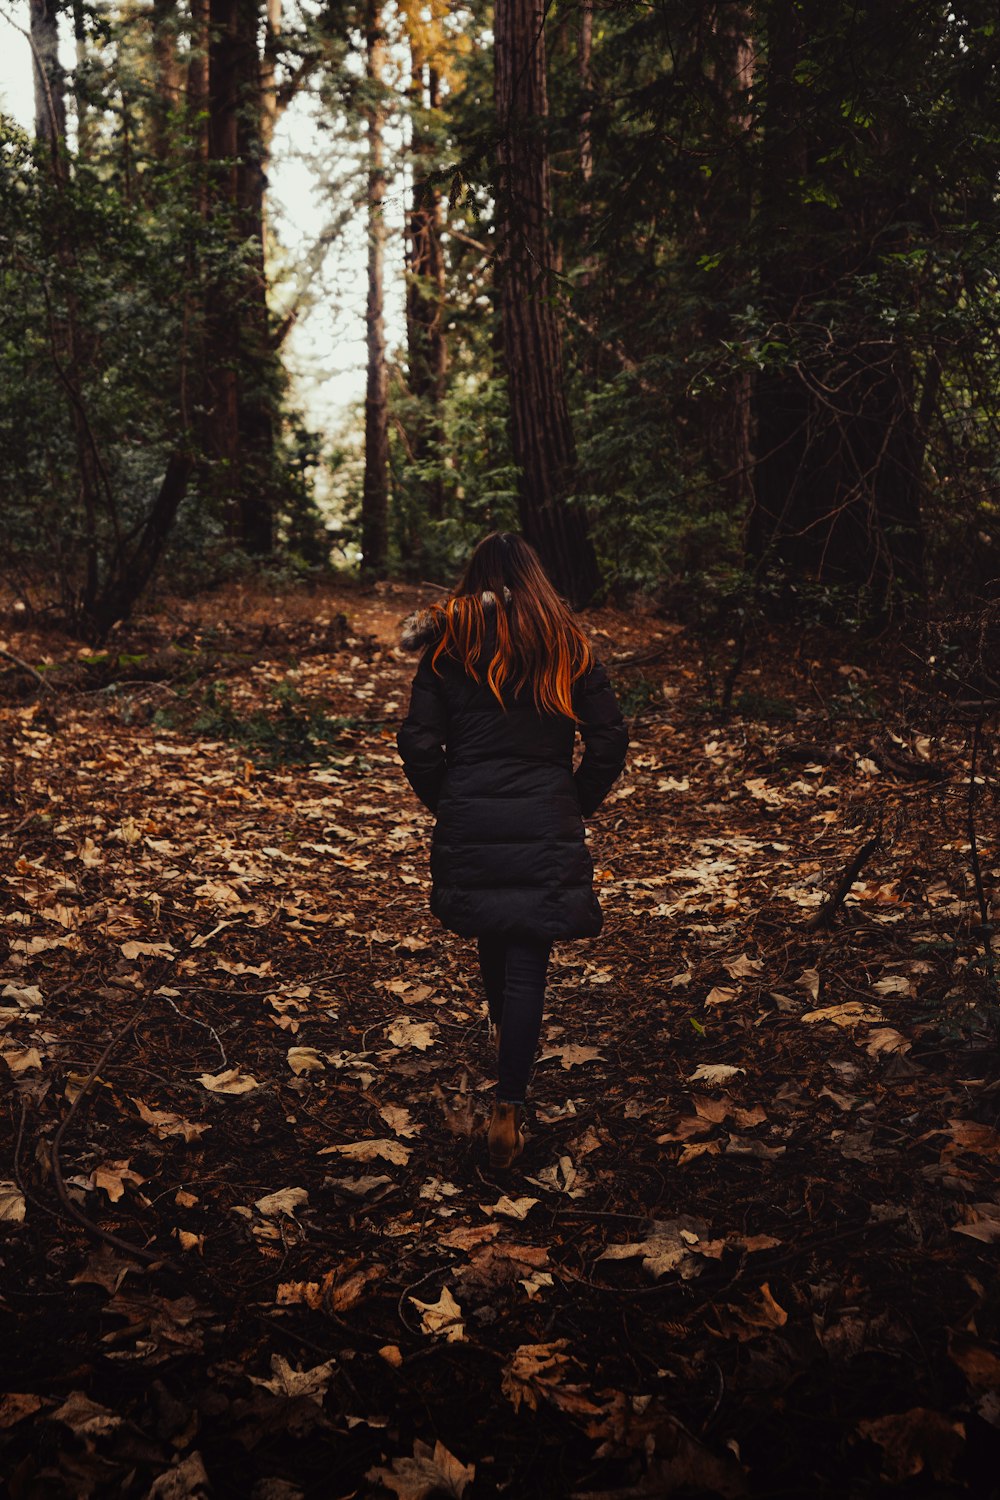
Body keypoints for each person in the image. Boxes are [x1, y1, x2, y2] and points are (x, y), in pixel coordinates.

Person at [396, 532, 629, 1168]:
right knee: (527, 952)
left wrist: (451, 799)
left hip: (471, 809)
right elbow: (609, 737)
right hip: (545, 810)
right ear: (537, 577)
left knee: (495, 934)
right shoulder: (565, 641)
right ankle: (510, 1107)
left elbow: (417, 741)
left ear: (475, 579)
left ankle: (506, 1050)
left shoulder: (450, 644)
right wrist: (575, 799)